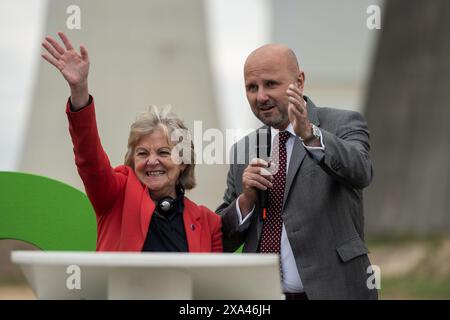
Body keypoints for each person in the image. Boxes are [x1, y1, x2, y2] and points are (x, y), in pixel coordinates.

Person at [216, 44, 378, 299]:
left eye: (271, 84)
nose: (261, 97)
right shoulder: (243, 150)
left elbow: (361, 172)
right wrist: (245, 201)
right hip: (261, 297)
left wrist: (311, 136)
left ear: (299, 82)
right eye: (252, 87)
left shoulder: (343, 124)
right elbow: (222, 240)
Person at [41, 32, 222, 252]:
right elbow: (89, 158)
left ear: (183, 161)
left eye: (164, 153)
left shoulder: (208, 223)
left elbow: (211, 283)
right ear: (132, 159)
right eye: (143, 153)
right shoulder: (116, 195)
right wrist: (79, 90)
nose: (152, 161)